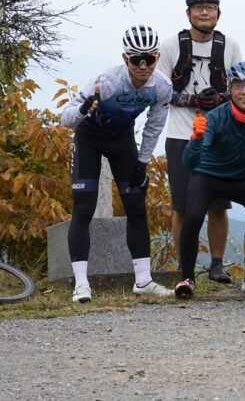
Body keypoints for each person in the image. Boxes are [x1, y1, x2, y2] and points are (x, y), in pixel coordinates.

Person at [60, 25, 174, 303]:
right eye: (137, 59)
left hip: (122, 140)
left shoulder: (162, 87)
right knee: (83, 208)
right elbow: (66, 118)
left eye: (149, 58)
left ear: (157, 57)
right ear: (126, 58)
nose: (143, 65)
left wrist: (142, 162)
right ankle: (81, 284)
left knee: (136, 206)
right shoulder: (106, 81)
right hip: (90, 137)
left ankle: (143, 281)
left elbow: (154, 126)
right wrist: (83, 109)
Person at [174, 61, 245, 298]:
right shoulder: (216, 116)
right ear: (229, 89)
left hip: (240, 177)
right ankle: (187, 278)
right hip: (207, 176)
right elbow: (189, 163)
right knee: (193, 216)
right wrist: (196, 140)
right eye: (238, 86)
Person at [156, 0, 243, 284]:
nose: (204, 12)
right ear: (188, 13)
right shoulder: (171, 46)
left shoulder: (229, 45)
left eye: (210, 7)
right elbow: (160, 91)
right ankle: (185, 268)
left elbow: (239, 88)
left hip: (218, 135)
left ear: (218, 12)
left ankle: (217, 265)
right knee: (182, 206)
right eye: (198, 7)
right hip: (180, 135)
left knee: (218, 205)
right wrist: (192, 99)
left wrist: (219, 99)